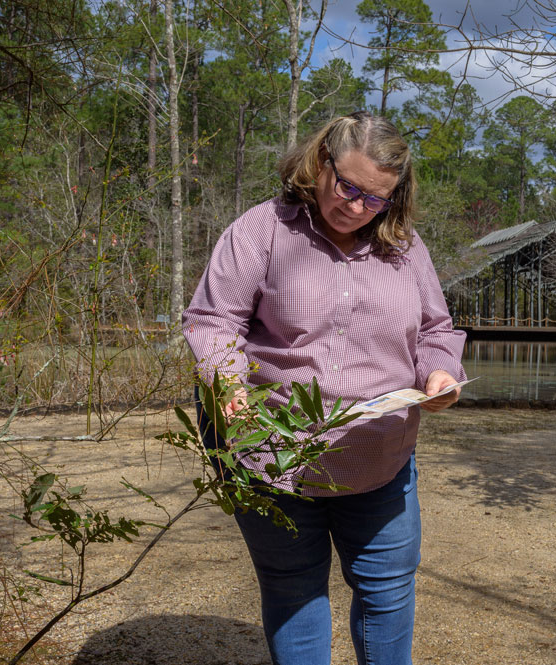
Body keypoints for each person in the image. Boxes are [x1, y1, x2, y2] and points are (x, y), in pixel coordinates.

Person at [182, 110, 467, 665]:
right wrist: (229, 387)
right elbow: (213, 322)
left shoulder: (405, 248)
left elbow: (436, 329)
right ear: (321, 162)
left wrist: (439, 374)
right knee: (294, 590)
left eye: (376, 198)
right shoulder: (263, 231)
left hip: (379, 461)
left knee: (386, 594)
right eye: (349, 186)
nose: (357, 207)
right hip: (275, 455)